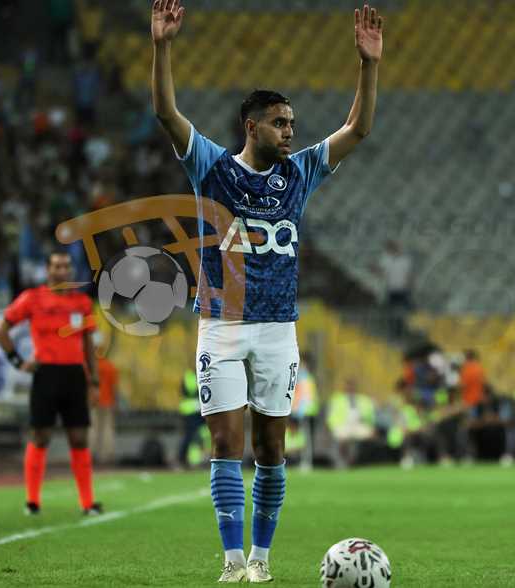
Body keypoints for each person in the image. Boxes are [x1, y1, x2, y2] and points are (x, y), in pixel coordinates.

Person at [151, 0, 383, 581]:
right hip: (222, 325)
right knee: (225, 442)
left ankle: (261, 559)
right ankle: (233, 562)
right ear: (251, 126)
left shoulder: (299, 172)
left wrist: (368, 64)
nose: (290, 132)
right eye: (280, 123)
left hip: (279, 328)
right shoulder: (211, 167)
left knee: (272, 449)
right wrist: (162, 47)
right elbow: (166, 112)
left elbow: (358, 130)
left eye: (292, 125)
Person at [0, 250, 102, 516]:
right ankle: (32, 501)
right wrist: (18, 361)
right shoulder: (32, 298)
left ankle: (87, 503)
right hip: (46, 374)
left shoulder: (82, 303)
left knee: (79, 438)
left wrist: (94, 380)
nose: (62, 270)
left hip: (75, 374)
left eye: (66, 266)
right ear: (48, 270)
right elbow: (0, 330)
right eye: (57, 266)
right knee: (40, 436)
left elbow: (88, 343)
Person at [90, 350, 118, 465]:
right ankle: (106, 455)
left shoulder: (92, 367)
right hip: (107, 401)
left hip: (93, 401)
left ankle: (91, 454)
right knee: (107, 429)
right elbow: (114, 387)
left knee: (92, 428)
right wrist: (115, 402)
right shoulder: (110, 366)